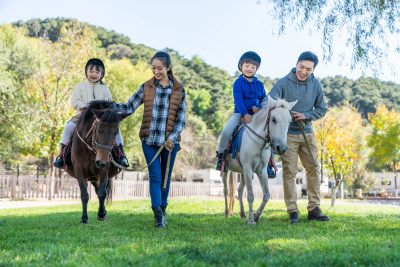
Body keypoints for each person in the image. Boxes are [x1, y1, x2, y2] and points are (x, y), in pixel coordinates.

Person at [114, 52, 186, 228]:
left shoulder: (178, 89)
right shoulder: (147, 87)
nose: (156, 71)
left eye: (160, 68)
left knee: (165, 178)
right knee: (155, 176)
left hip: (170, 144)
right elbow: (129, 106)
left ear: (168, 68)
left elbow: (181, 119)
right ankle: (158, 214)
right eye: (153, 68)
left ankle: (163, 208)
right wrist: (110, 107)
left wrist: (172, 138)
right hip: (149, 140)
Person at [264, 51, 329, 223]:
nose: (304, 71)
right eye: (302, 67)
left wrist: (306, 115)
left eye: (309, 69)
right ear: (297, 63)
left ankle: (314, 209)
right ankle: (293, 211)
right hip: (287, 136)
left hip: (307, 133)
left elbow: (322, 109)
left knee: (314, 169)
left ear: (313, 69)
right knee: (289, 172)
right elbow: (269, 101)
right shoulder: (283, 83)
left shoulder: (316, 85)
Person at [53, 58, 129, 169]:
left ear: (101, 74)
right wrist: (84, 107)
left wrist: (103, 113)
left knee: (116, 130)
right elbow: (74, 101)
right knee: (68, 127)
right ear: (86, 72)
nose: (94, 74)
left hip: (101, 119)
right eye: (91, 71)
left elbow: (109, 105)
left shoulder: (105, 89)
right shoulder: (80, 86)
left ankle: (122, 155)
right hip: (81, 117)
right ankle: (62, 156)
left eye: (97, 72)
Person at [216, 51, 266, 170]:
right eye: (247, 66)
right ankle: (221, 157)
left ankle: (269, 162)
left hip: (257, 115)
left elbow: (264, 99)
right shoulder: (238, 83)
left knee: (269, 132)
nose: (249, 69)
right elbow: (238, 100)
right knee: (226, 132)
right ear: (241, 66)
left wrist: (260, 108)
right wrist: (245, 113)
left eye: (253, 67)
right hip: (239, 113)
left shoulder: (260, 84)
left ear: (256, 69)